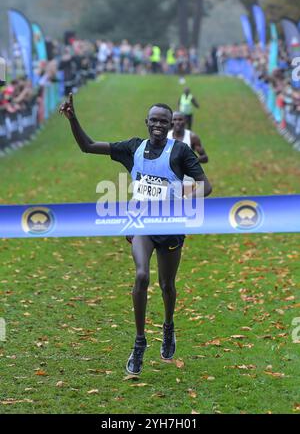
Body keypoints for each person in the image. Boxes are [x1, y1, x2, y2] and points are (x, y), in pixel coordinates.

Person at [59, 94, 212, 375]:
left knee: (167, 286)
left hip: (170, 225)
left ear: (169, 125)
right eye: (153, 120)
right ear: (146, 122)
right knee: (141, 275)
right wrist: (73, 119)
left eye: (163, 121)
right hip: (141, 223)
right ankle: (139, 342)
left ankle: (168, 327)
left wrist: (181, 196)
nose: (158, 124)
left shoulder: (179, 152)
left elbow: (206, 186)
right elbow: (88, 146)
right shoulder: (133, 148)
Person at [168, 111, 208, 197]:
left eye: (180, 119)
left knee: (185, 205)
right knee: (168, 205)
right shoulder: (166, 137)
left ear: (185, 121)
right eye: (174, 120)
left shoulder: (192, 137)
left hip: (187, 179)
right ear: (171, 122)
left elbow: (205, 158)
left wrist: (190, 161)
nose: (177, 122)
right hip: (170, 178)